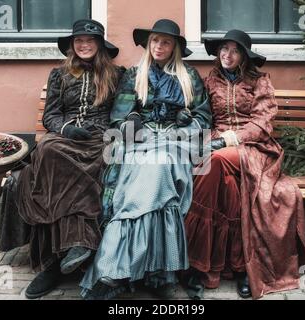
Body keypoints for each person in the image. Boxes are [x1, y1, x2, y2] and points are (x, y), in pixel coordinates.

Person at [79, 19, 211, 300]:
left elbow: (203, 117)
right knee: (137, 182)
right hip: (140, 140)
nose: (159, 46)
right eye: (155, 41)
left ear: (174, 46)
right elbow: (119, 115)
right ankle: (159, 275)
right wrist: (134, 117)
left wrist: (187, 121)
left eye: (165, 42)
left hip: (177, 141)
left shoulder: (189, 75)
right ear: (148, 44)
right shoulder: (135, 74)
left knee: (160, 168)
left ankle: (115, 271)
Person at [183, 30, 305, 299]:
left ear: (244, 56)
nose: (227, 55)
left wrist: (227, 141)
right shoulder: (210, 81)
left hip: (253, 148)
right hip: (216, 147)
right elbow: (202, 114)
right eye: (223, 49)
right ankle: (237, 267)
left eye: (234, 50)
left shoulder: (260, 81)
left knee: (213, 161)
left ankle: (197, 264)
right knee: (228, 186)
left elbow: (262, 124)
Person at [12, 19, 124, 299]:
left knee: (101, 160)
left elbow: (122, 111)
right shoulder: (58, 74)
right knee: (49, 151)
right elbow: (50, 115)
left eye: (89, 40)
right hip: (65, 137)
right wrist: (66, 128)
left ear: (99, 44)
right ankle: (66, 253)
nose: (84, 45)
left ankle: (63, 259)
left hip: (100, 139)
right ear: (73, 46)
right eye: (79, 41)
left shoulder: (117, 74)